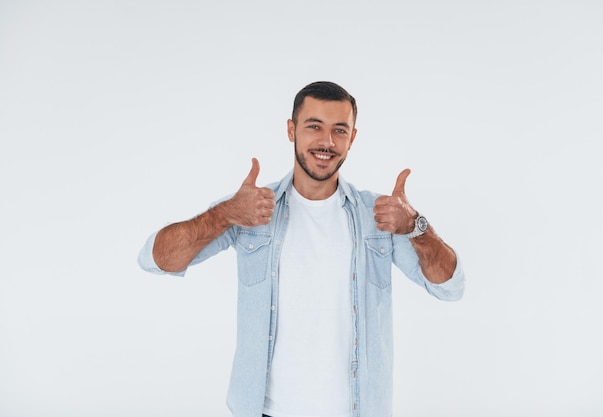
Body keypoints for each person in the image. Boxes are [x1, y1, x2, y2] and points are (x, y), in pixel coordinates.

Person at [138, 81, 465, 417]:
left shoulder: (378, 216)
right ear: (291, 130)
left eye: (340, 130)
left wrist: (415, 226)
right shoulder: (250, 208)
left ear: (352, 138)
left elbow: (450, 287)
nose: (327, 141)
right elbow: (155, 259)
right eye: (314, 127)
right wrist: (224, 214)